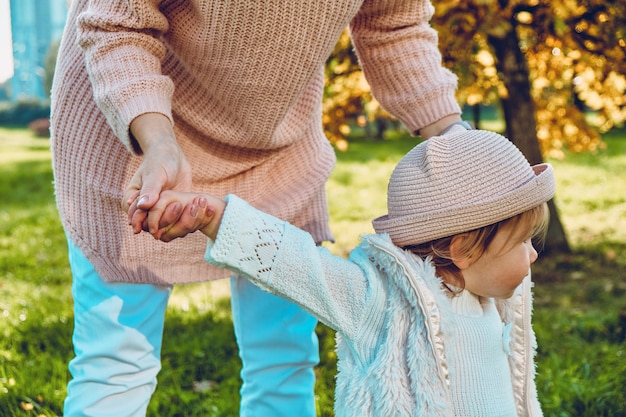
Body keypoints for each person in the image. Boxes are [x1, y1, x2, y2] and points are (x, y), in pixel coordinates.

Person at [49, 0, 467, 415]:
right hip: (138, 135)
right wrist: (158, 142)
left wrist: (454, 138)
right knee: (118, 364)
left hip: (277, 152)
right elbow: (119, 23)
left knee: (284, 360)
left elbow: (392, 24)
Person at [139, 128, 555, 417]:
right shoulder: (383, 301)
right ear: (463, 249)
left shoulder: (495, 303)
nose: (533, 257)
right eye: (523, 243)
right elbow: (299, 264)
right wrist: (218, 220)